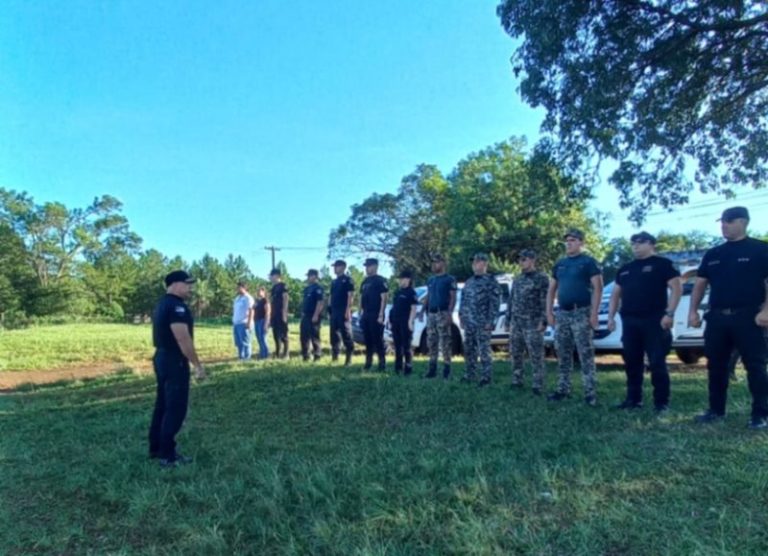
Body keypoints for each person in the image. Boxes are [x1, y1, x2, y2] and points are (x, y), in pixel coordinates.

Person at [688, 206, 768, 428]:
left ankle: (761, 414)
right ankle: (716, 410)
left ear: (743, 222)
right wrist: (693, 311)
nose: (724, 225)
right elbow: (700, 284)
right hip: (717, 318)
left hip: (749, 316)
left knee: (756, 366)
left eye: (729, 221)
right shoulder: (714, 254)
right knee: (716, 365)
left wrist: (766, 311)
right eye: (722, 221)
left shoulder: (760, 250)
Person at [607, 231, 681, 413]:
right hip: (630, 320)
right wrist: (610, 317)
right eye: (633, 243)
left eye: (640, 242)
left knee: (657, 361)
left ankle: (661, 403)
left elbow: (676, 288)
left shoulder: (663, 264)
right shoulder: (625, 268)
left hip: (654, 320)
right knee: (632, 361)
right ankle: (633, 399)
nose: (635, 246)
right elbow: (616, 294)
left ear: (651, 244)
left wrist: (669, 314)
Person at [148, 270, 206, 469]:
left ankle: (156, 447)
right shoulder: (176, 307)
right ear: (174, 284)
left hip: (161, 357)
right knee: (175, 407)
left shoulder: (162, 303)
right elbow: (183, 338)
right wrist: (197, 365)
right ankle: (168, 455)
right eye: (187, 284)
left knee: (162, 405)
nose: (190, 288)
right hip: (174, 360)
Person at [546, 229, 603, 406]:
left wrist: (594, 313)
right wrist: (549, 312)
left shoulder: (589, 262)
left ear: (581, 243)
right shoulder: (560, 264)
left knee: (585, 353)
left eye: (572, 240)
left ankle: (590, 393)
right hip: (563, 313)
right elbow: (552, 289)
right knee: (562, 353)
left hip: (582, 312)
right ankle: (563, 389)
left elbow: (598, 288)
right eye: (567, 241)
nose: (568, 243)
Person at [507, 249, 549, 395]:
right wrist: (508, 320)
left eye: (524, 259)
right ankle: (517, 380)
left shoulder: (542, 278)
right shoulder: (518, 279)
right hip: (517, 322)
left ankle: (538, 384)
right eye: (520, 259)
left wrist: (544, 320)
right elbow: (511, 300)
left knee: (536, 354)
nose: (521, 262)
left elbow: (546, 301)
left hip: (533, 322)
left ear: (532, 260)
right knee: (516, 352)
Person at [460, 253, 501, 387]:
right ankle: (470, 374)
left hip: (483, 322)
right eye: (473, 262)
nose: (474, 264)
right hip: (469, 322)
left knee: (484, 350)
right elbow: (463, 300)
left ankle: (486, 377)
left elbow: (495, 303)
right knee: (469, 349)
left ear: (484, 263)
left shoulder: (491, 281)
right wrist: (462, 316)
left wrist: (491, 321)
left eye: (477, 262)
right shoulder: (469, 281)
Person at [421, 253, 458, 379]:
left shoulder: (450, 279)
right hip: (431, 313)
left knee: (445, 342)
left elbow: (453, 297)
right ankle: (432, 369)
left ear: (443, 263)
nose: (434, 265)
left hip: (442, 312)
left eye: (436, 262)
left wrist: (449, 313)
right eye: (433, 262)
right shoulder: (431, 280)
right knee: (431, 342)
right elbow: (429, 295)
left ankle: (447, 369)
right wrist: (422, 310)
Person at [359, 258, 389, 371]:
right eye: (366, 266)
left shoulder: (380, 280)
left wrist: (381, 314)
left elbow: (384, 298)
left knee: (377, 339)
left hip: (376, 313)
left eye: (369, 266)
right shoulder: (365, 281)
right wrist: (360, 312)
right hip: (366, 313)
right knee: (368, 340)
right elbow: (361, 297)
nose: (367, 268)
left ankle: (382, 363)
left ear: (375, 266)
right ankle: (368, 362)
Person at [389, 270, 420, 375]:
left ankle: (408, 367)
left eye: (402, 279)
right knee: (397, 346)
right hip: (396, 321)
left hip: (406, 322)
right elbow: (394, 307)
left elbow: (414, 308)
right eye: (400, 279)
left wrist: (410, 322)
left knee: (406, 346)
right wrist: (390, 320)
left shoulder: (411, 293)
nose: (400, 281)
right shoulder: (398, 292)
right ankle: (398, 368)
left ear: (408, 279)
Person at [329, 259, 355, 366]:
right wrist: (329, 308)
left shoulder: (348, 280)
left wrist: (348, 310)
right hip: (334, 311)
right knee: (334, 335)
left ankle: (348, 359)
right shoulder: (334, 282)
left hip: (343, 310)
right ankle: (335, 357)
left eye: (337, 266)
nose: (335, 268)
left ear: (343, 267)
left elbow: (351, 295)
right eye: (334, 266)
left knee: (346, 334)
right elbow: (331, 296)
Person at [300, 269, 325, 361]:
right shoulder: (307, 288)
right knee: (304, 336)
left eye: (309, 276)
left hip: (314, 315)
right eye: (308, 276)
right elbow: (304, 302)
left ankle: (317, 355)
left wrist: (316, 315)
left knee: (314, 336)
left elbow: (320, 302)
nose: (308, 278)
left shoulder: (318, 288)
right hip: (306, 315)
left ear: (315, 276)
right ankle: (305, 355)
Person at [269, 268, 290, 359]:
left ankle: (286, 353)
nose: (270, 277)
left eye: (271, 275)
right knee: (276, 334)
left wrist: (284, 313)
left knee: (283, 334)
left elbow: (285, 298)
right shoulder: (273, 288)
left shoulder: (283, 286)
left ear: (277, 276)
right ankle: (277, 353)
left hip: (281, 313)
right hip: (274, 314)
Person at [232, 281, 254, 360]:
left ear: (244, 288)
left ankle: (247, 358)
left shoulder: (248, 298)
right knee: (238, 343)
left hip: (244, 323)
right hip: (236, 323)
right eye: (237, 287)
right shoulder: (237, 298)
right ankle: (241, 357)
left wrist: (248, 322)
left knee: (246, 342)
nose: (237, 289)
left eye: (239, 287)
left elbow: (251, 310)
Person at [253, 286, 270, 359]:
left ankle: (266, 355)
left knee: (263, 338)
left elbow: (268, 312)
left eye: (260, 291)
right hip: (256, 321)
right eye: (257, 291)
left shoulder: (265, 301)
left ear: (264, 292)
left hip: (263, 321)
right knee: (259, 338)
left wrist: (266, 324)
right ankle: (262, 354)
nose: (258, 292)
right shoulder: (257, 301)